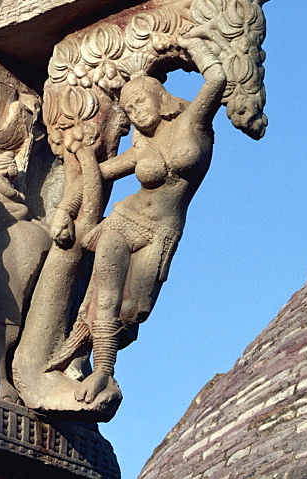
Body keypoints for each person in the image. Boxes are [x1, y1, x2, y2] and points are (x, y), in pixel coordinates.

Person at [49, 48, 227, 406]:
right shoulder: (140, 150)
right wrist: (64, 211)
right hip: (124, 222)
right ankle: (102, 370)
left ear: (160, 99)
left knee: (134, 309)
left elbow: (218, 79)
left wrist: (193, 43)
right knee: (107, 296)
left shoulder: (194, 122)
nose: (136, 110)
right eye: (128, 109)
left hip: (161, 231)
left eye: (140, 101)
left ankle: (84, 350)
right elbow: (93, 176)